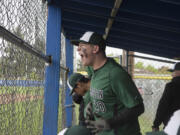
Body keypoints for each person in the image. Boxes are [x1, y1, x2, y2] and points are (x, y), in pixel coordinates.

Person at [71, 31, 144, 135]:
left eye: (82, 46)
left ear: (95, 49)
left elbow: (138, 108)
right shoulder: (95, 72)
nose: (78, 49)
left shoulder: (115, 73)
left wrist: (109, 123)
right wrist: (92, 104)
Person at [152, 62, 180, 131]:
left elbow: (163, 106)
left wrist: (156, 124)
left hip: (173, 126)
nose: (171, 74)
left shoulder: (171, 86)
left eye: (173, 72)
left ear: (178, 72)